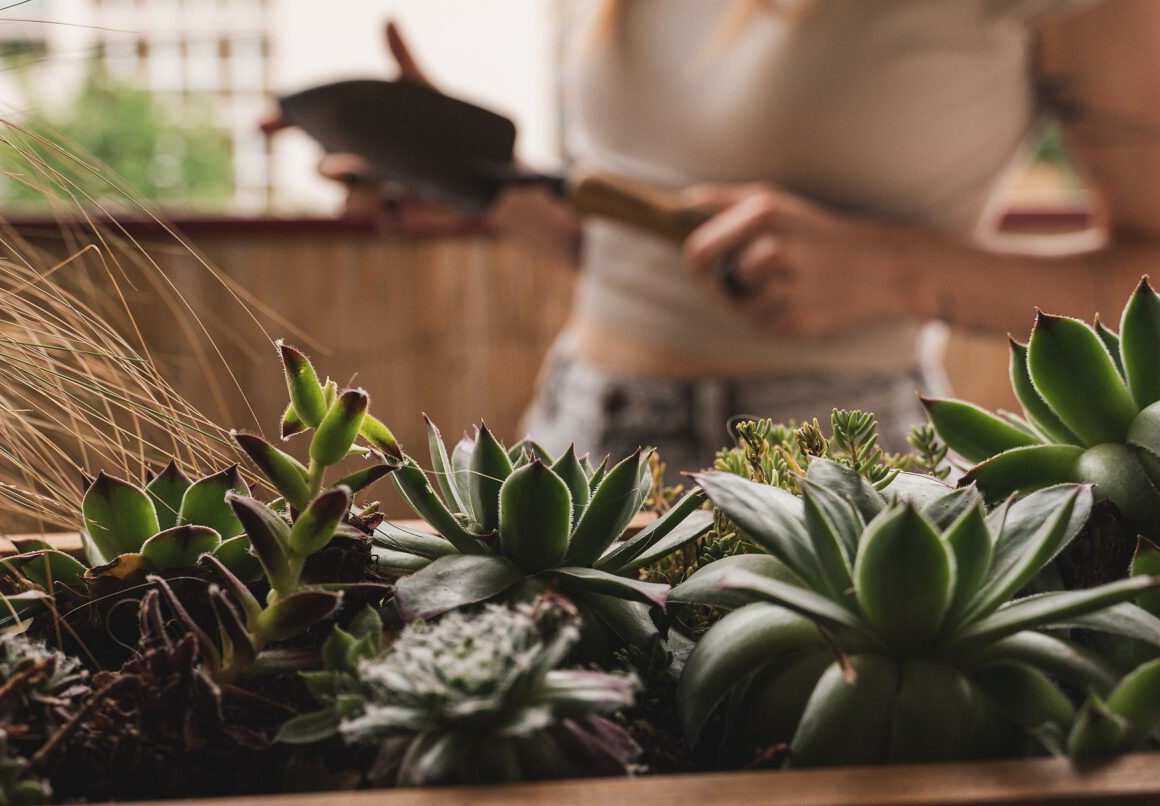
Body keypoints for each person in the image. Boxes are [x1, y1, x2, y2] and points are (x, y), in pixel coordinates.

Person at [293, 1, 1160, 474]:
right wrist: (495, 196)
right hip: (571, 432)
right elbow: (638, 252)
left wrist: (902, 272)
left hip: (827, 459)